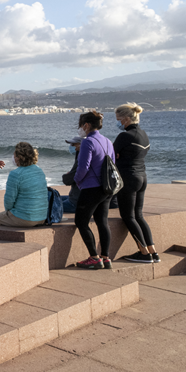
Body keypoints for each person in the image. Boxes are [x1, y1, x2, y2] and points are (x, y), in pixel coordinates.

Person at [114, 103, 159, 263]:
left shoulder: (124, 136)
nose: (118, 122)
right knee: (139, 215)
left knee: (128, 216)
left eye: (119, 119)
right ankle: (153, 251)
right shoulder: (143, 134)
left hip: (128, 178)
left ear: (126, 119)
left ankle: (144, 253)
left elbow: (112, 156)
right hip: (142, 176)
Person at [73, 110, 115, 270]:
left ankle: (94, 258)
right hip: (106, 188)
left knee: (81, 221)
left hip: (91, 188)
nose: (80, 128)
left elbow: (83, 167)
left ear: (87, 125)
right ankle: (105, 257)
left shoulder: (87, 142)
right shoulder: (108, 141)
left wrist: (76, 180)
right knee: (102, 222)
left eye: (81, 125)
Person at [0, 142, 49, 227]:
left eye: (14, 155)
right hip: (42, 217)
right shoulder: (39, 170)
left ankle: (1, 240)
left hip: (25, 218)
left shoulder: (15, 174)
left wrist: (9, 213)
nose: (13, 158)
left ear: (18, 158)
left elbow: (9, 202)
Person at [61, 136, 82, 213]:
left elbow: (68, 180)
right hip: (75, 198)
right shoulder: (81, 156)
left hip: (74, 202)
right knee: (54, 198)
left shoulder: (81, 160)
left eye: (73, 145)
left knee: (51, 204)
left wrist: (67, 175)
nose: (71, 147)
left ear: (80, 145)